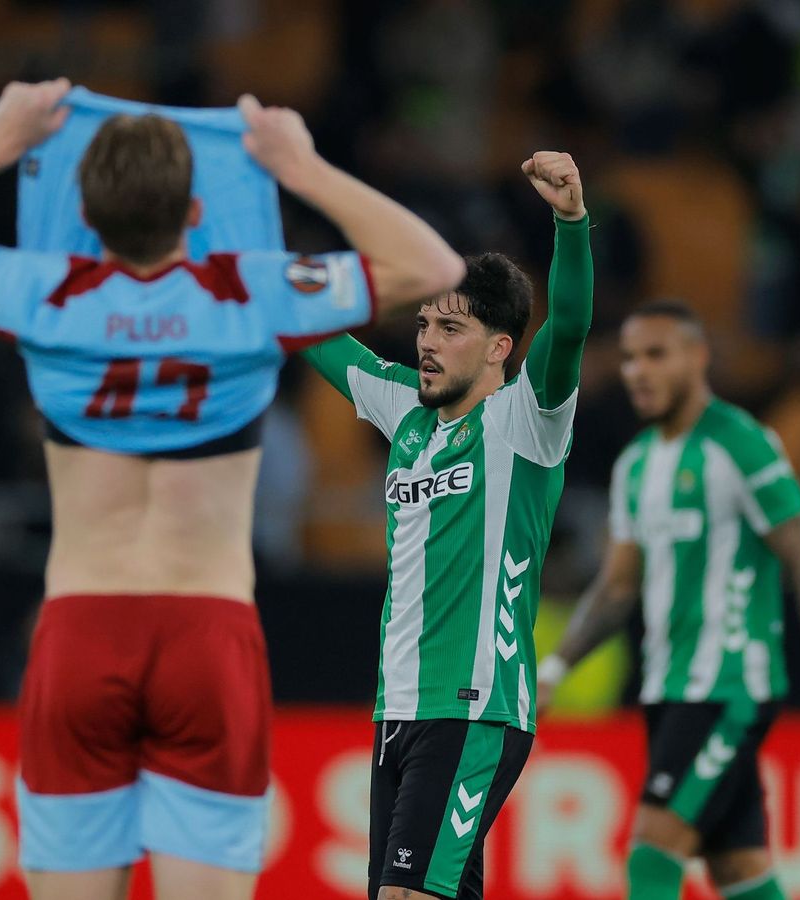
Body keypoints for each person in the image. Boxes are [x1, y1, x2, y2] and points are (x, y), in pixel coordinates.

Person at [0, 79, 463, 900]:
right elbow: (435, 265)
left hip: (80, 630)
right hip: (208, 629)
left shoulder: (44, 290)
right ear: (197, 216)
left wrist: (1, 141)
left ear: (83, 216)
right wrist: (297, 166)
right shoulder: (255, 289)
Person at [301, 150, 593, 900]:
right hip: (396, 708)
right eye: (425, 321)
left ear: (500, 348)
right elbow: (312, 329)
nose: (427, 340)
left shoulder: (525, 421)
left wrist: (569, 221)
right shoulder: (405, 411)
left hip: (475, 708)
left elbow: (572, 325)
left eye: (451, 327)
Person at [535, 299, 800, 900]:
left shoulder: (741, 443)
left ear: (697, 357)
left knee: (651, 852)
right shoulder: (636, 464)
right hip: (667, 690)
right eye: (632, 357)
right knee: (742, 873)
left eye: (656, 354)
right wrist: (557, 666)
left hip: (729, 688)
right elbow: (617, 585)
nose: (639, 370)